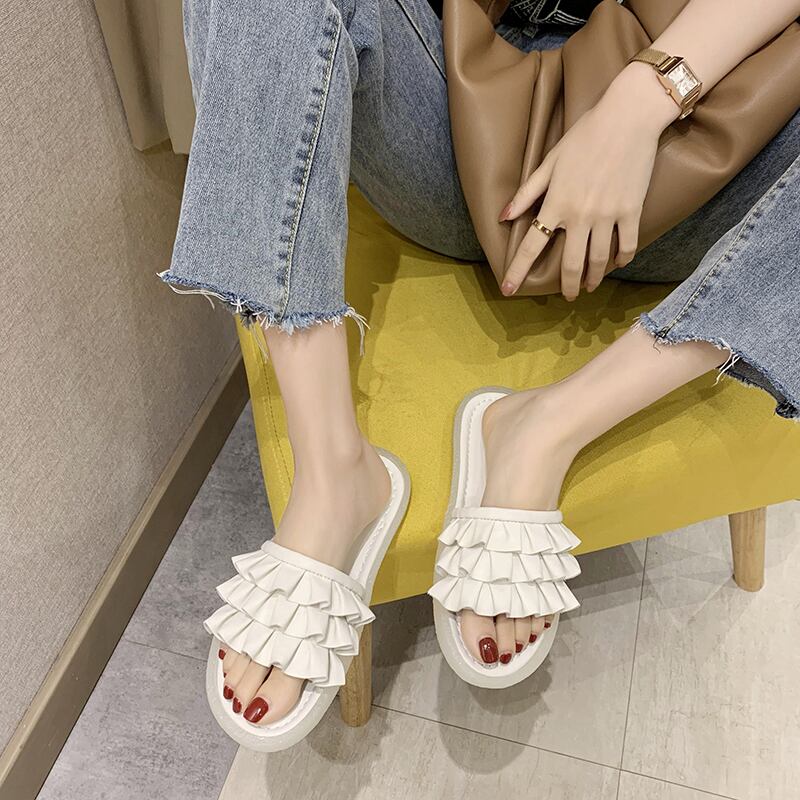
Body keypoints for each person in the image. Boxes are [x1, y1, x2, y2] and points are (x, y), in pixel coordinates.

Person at [159, 0, 800, 731]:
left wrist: (636, 105)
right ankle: (333, 471)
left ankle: (549, 425)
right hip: (458, 138)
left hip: (704, 155)